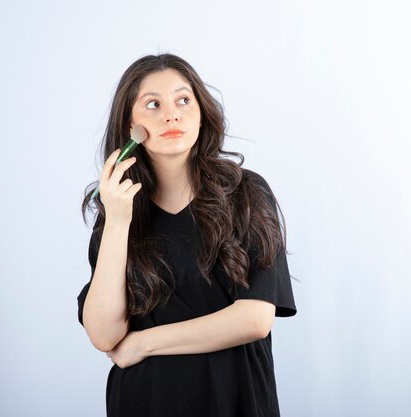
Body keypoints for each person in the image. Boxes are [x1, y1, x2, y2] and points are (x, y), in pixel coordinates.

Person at [77, 53, 297, 417]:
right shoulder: (119, 212)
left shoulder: (247, 194)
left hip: (235, 400)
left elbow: (255, 319)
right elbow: (103, 334)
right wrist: (117, 222)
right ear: (129, 125)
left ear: (201, 111)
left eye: (183, 99)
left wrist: (144, 343)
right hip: (145, 401)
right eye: (152, 104)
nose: (171, 114)